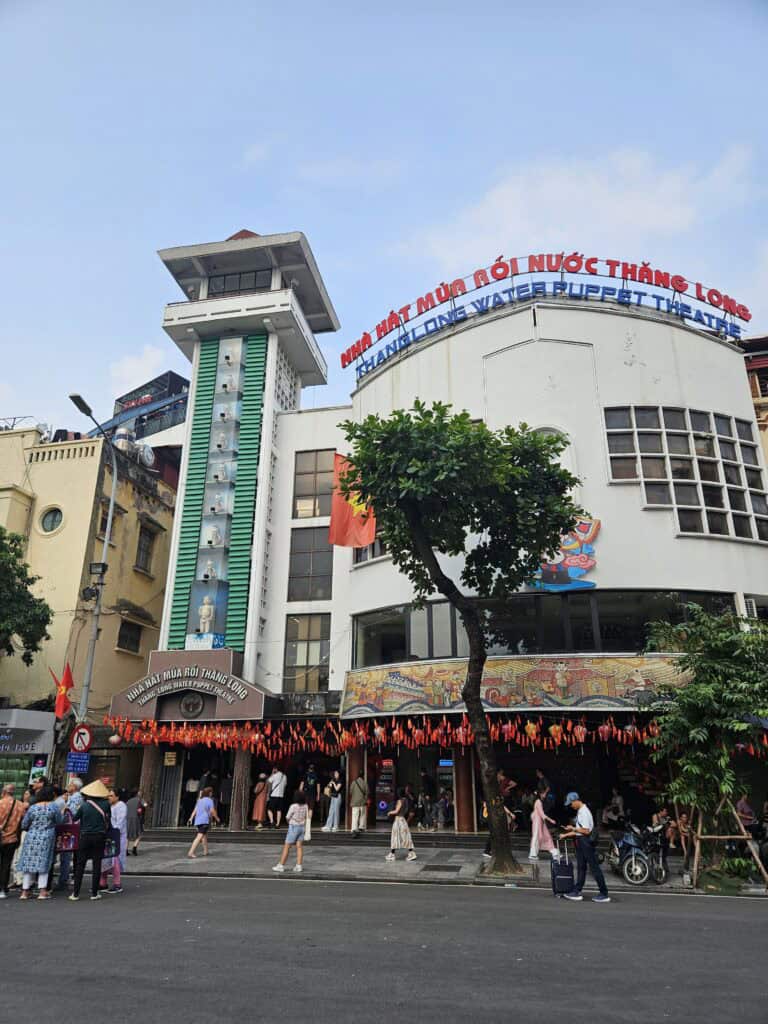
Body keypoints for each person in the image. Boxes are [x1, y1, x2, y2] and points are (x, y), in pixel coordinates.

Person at [560, 792, 610, 903]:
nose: (571, 806)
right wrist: (569, 832)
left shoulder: (584, 812)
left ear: (575, 800)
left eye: (571, 803)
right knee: (581, 867)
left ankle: (604, 893)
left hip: (585, 842)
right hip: (581, 842)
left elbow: (586, 830)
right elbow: (580, 831)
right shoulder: (581, 811)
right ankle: (576, 891)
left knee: (594, 867)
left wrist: (573, 828)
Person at [17, 785, 62, 900]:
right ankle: (42, 891)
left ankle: (25, 891)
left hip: (32, 836)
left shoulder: (33, 807)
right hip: (47, 837)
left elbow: (24, 824)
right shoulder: (54, 807)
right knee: (44, 863)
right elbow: (59, 821)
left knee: (28, 863)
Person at [71, 779, 112, 901]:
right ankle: (94, 893)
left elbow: (75, 818)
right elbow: (108, 819)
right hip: (99, 836)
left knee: (80, 864)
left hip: (85, 836)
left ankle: (76, 893)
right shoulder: (106, 804)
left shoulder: (84, 805)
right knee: (97, 863)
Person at [54, 778, 84, 891]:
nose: (68, 785)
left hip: (70, 828)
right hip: (71, 828)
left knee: (66, 854)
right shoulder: (73, 797)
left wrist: (65, 808)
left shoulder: (76, 797)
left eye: (70, 784)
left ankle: (63, 879)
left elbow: (73, 813)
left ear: (75, 786)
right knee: (66, 854)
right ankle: (64, 878)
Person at [0, 783, 28, 898]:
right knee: (6, 863)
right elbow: (25, 821)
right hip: (12, 838)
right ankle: (3, 889)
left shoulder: (1, 803)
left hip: (1, 837)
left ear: (4, 792)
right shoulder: (20, 805)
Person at [100, 789, 128, 893]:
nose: (109, 798)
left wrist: (112, 832)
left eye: (111, 796)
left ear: (117, 797)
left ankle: (117, 884)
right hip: (109, 835)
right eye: (108, 796)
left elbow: (119, 823)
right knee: (105, 859)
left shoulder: (121, 806)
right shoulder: (109, 806)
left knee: (114, 859)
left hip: (116, 837)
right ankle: (103, 883)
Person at [272, 792, 307, 873]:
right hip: (302, 827)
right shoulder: (306, 806)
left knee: (287, 846)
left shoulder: (293, 806)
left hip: (294, 827)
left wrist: (290, 822)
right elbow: (306, 816)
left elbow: (287, 817)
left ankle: (281, 865)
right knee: (299, 846)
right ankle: (299, 866)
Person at [385, 788, 417, 862]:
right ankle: (411, 853)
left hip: (398, 821)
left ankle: (392, 854)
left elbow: (396, 811)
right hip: (403, 820)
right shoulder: (406, 800)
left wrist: (389, 812)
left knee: (395, 837)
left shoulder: (400, 801)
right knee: (406, 837)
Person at [187, 786, 219, 858]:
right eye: (211, 792)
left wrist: (191, 818)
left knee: (203, 836)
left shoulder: (200, 800)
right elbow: (212, 811)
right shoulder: (210, 800)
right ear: (209, 793)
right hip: (204, 821)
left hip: (198, 821)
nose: (212, 793)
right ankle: (191, 852)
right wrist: (217, 818)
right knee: (199, 837)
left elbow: (195, 810)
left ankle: (206, 851)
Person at [529, 784, 557, 861]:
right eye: (544, 793)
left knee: (544, 836)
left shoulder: (538, 801)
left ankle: (554, 852)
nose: (545, 795)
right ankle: (533, 854)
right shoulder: (538, 802)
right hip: (538, 822)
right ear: (541, 794)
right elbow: (542, 814)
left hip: (540, 822)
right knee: (537, 837)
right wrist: (551, 820)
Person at [300, 763, 320, 841]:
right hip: (313, 794)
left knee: (305, 808)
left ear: (308, 768)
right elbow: (318, 786)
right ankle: (309, 822)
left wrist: (299, 794)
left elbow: (301, 785)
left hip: (305, 794)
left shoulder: (305, 775)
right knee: (311, 809)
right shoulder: (316, 776)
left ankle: (305, 823)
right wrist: (318, 795)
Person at [126, 790, 146, 856]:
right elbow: (145, 805)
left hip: (128, 819)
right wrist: (141, 808)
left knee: (127, 835)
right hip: (136, 819)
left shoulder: (128, 801)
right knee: (139, 833)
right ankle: (134, 848)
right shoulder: (140, 800)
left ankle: (126, 850)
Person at [349, 770, 368, 837]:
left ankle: (354, 829)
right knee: (362, 814)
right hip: (362, 802)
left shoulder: (354, 782)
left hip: (355, 802)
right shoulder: (364, 783)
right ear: (363, 775)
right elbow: (367, 792)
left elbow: (350, 792)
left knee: (355, 815)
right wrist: (365, 799)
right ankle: (361, 827)